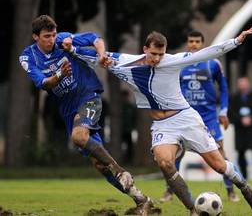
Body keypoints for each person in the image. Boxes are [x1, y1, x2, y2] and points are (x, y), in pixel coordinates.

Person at [70, 26, 252, 216]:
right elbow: (95, 57)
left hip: (186, 119)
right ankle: (193, 209)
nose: (156, 58)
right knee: (164, 163)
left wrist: (236, 41)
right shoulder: (125, 62)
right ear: (145, 49)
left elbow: (206, 53)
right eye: (153, 53)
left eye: (161, 54)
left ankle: (245, 189)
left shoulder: (172, 61)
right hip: (163, 125)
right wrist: (70, 49)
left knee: (220, 166)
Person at [19, 15, 158, 215]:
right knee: (99, 164)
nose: (52, 39)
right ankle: (141, 199)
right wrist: (59, 75)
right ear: (35, 37)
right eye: (47, 36)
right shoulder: (28, 57)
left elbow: (94, 38)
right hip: (68, 109)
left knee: (79, 137)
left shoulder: (63, 40)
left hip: (88, 96)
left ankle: (120, 171)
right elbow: (43, 83)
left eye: (54, 34)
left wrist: (101, 55)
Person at [160, 30, 240, 203]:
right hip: (184, 117)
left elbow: (224, 88)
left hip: (209, 117)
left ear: (202, 43)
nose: (194, 44)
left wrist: (224, 111)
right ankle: (169, 191)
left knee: (220, 153)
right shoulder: (179, 63)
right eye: (191, 41)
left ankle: (230, 190)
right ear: (188, 43)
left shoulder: (213, 64)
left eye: (197, 41)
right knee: (176, 155)